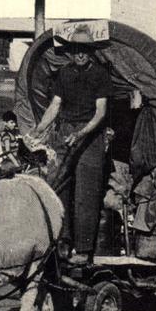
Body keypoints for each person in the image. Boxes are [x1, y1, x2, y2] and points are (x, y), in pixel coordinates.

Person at [30, 26, 112, 263]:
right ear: (71, 52)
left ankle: (84, 249)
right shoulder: (64, 74)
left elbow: (100, 112)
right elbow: (55, 106)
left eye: (84, 50)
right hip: (65, 132)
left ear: (90, 52)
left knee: (86, 191)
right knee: (58, 185)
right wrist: (38, 131)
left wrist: (81, 133)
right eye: (76, 50)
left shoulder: (100, 75)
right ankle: (62, 242)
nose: (80, 54)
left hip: (91, 134)